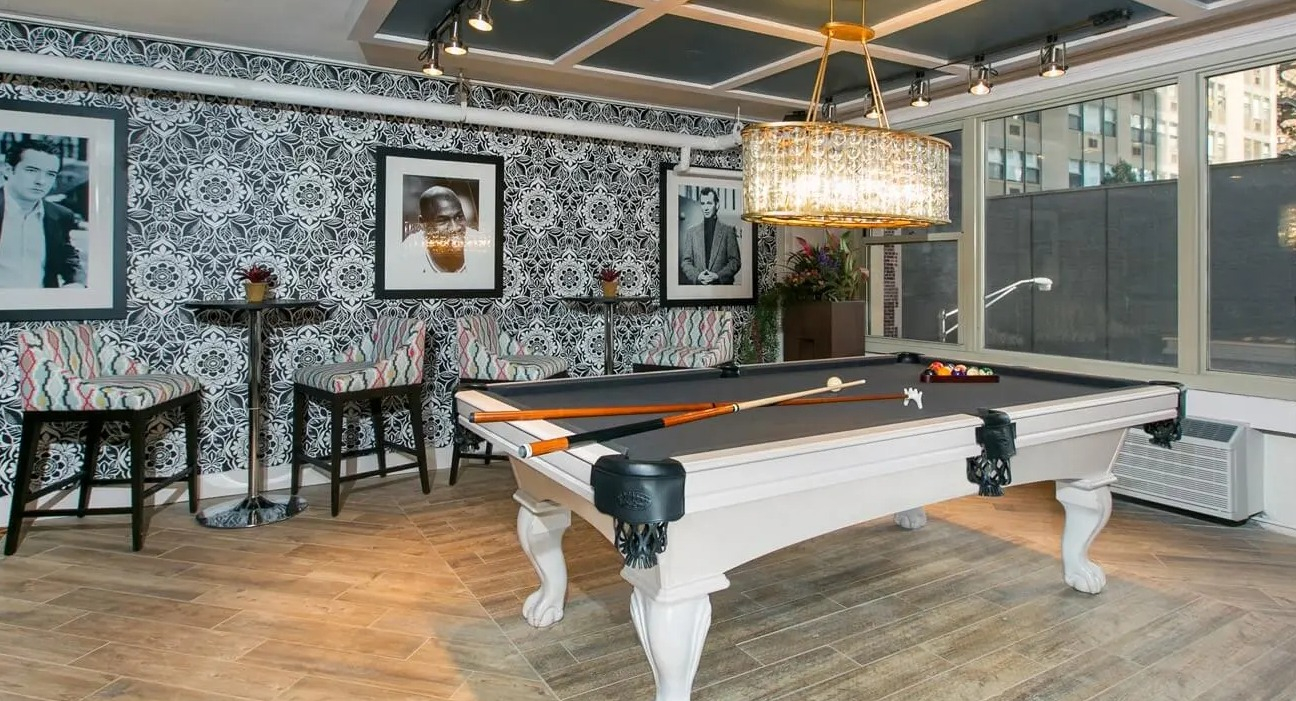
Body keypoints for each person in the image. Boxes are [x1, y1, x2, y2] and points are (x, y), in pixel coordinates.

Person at [0, 138, 85, 289]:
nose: (41, 181)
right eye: (32, 171)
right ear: (7, 170)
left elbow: (69, 260)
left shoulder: (61, 215)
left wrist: (76, 283)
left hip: (42, 302)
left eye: (50, 174)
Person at [389, 183, 492, 289]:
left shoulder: (480, 248)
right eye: (442, 220)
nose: (454, 228)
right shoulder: (409, 256)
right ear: (423, 224)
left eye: (459, 217)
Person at [679, 187, 740, 285]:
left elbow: (735, 262)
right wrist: (697, 276)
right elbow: (686, 262)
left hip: (721, 289)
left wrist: (718, 276)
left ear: (717, 205)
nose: (706, 208)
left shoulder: (728, 231)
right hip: (698, 289)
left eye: (709, 203)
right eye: (703, 204)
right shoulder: (691, 232)